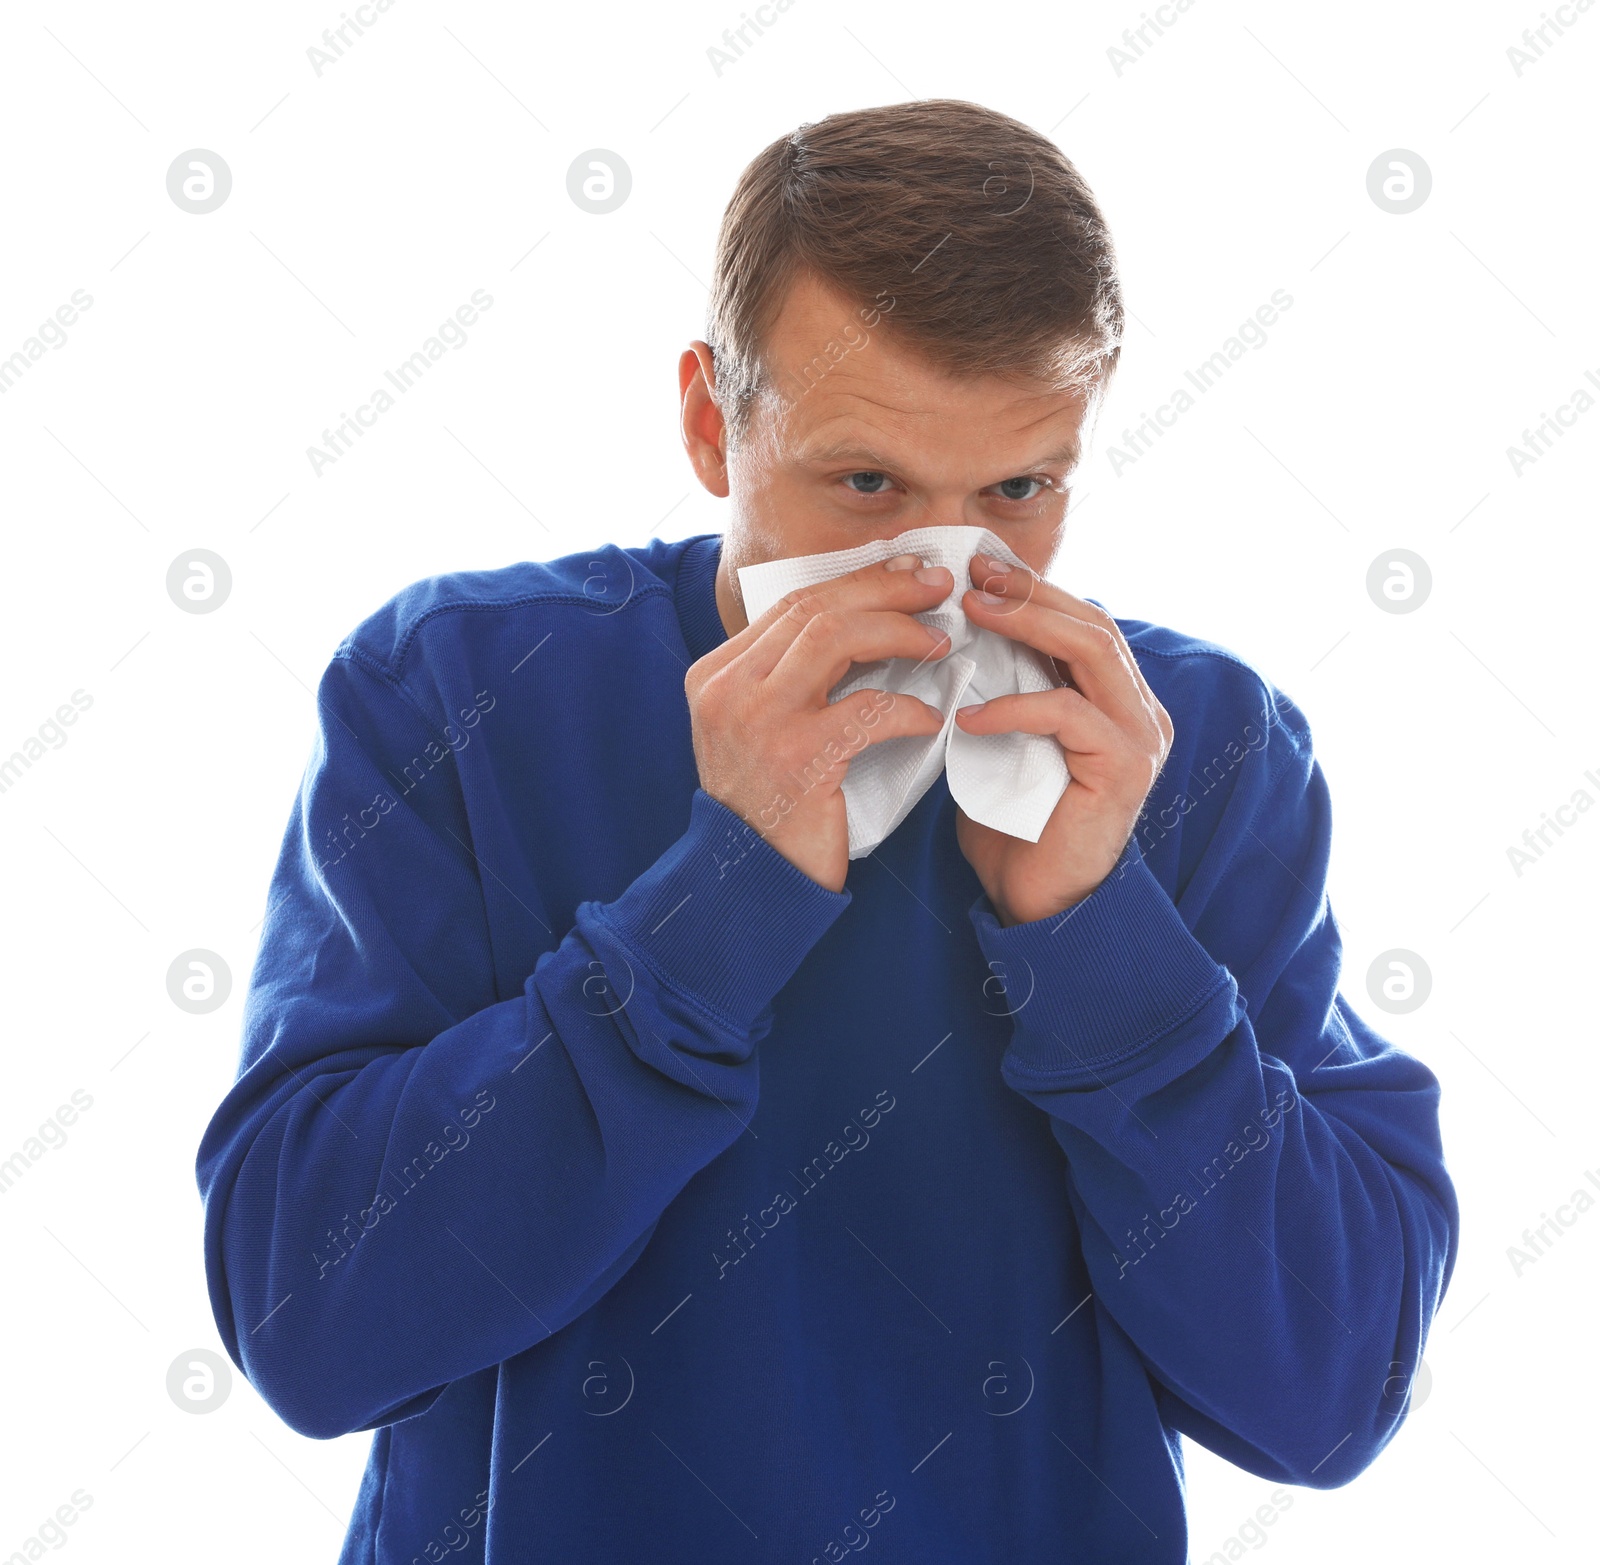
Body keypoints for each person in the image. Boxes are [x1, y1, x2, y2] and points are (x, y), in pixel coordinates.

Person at [196, 99, 1458, 1563]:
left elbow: (1329, 1394)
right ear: (706, 419)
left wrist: (1101, 941)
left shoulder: (1198, 752)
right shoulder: (461, 690)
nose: (939, 568)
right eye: (865, 484)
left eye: (1019, 489)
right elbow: (308, 1319)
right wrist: (718, 900)